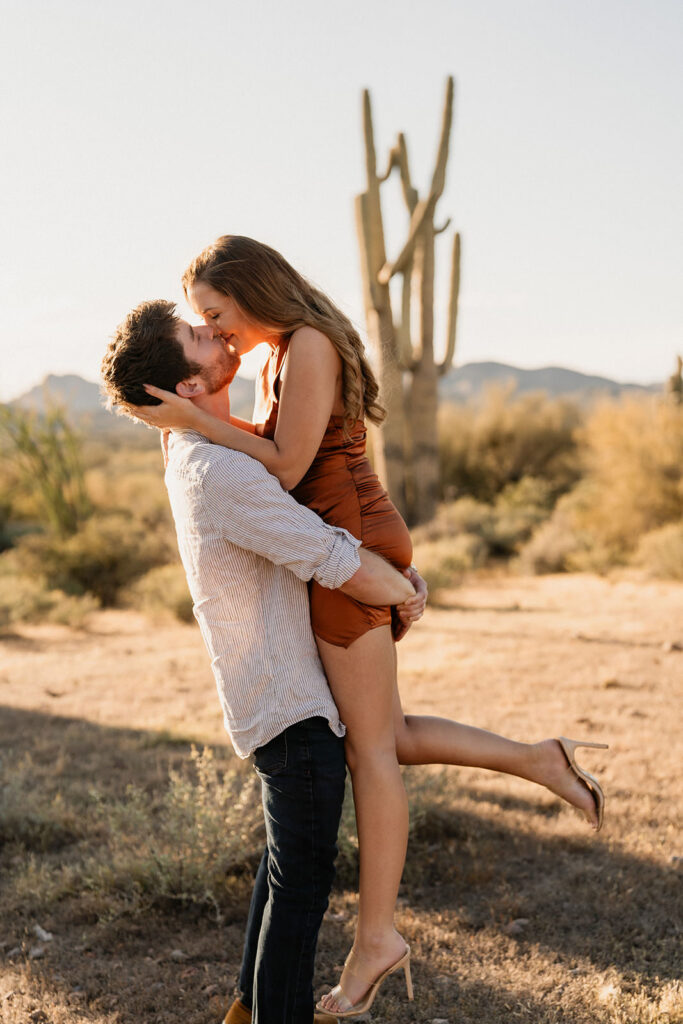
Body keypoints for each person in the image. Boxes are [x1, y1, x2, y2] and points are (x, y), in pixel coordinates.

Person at [136, 236, 608, 1019]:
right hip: (347, 536)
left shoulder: (310, 344)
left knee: (369, 748)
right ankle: (538, 759)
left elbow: (283, 469)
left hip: (348, 537)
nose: (218, 331)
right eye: (205, 324)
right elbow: (272, 457)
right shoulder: (278, 356)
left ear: (255, 293)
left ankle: (378, 937)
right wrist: (193, 425)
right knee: (384, 729)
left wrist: (191, 419)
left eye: (219, 314)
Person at [100, 300, 419, 1024]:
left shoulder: (200, 451)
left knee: (283, 877)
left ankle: (244, 1011)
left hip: (276, 699)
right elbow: (329, 556)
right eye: (195, 333)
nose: (213, 331)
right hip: (292, 707)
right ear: (186, 387)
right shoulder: (217, 470)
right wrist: (404, 590)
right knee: (301, 890)